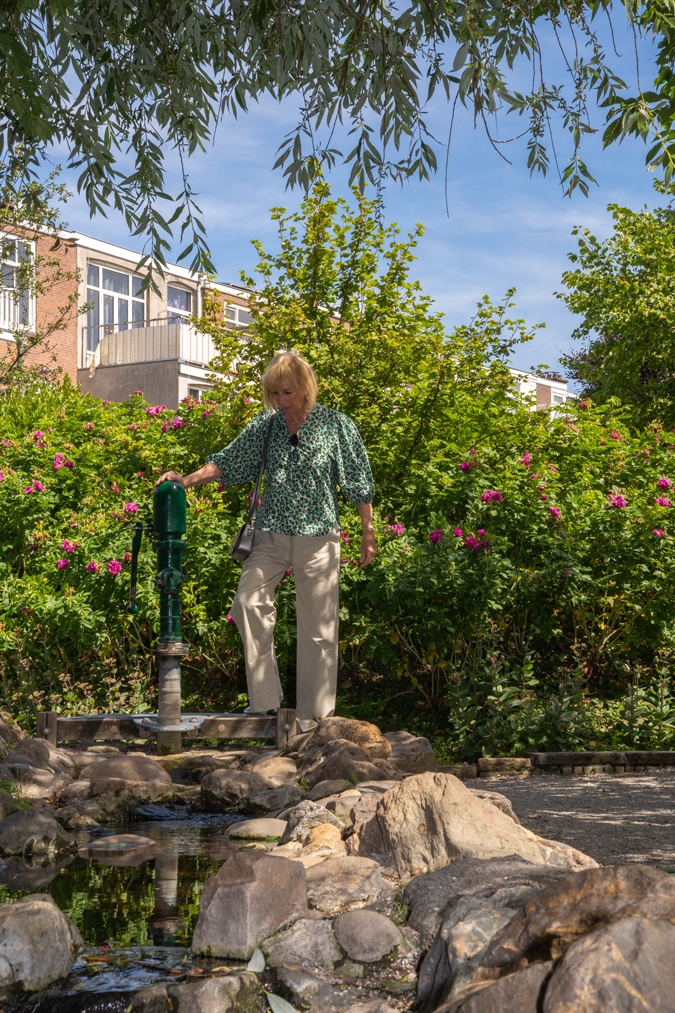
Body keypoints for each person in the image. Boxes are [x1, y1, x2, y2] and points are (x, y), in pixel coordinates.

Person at [156, 350, 376, 732]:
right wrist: (184, 480)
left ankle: (313, 722)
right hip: (270, 535)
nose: (280, 400)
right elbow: (228, 461)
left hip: (318, 540)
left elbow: (358, 481)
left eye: (287, 392)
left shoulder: (336, 425)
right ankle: (266, 707)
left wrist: (367, 531)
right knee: (247, 603)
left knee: (319, 630)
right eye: (274, 393)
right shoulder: (267, 425)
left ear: (305, 387)